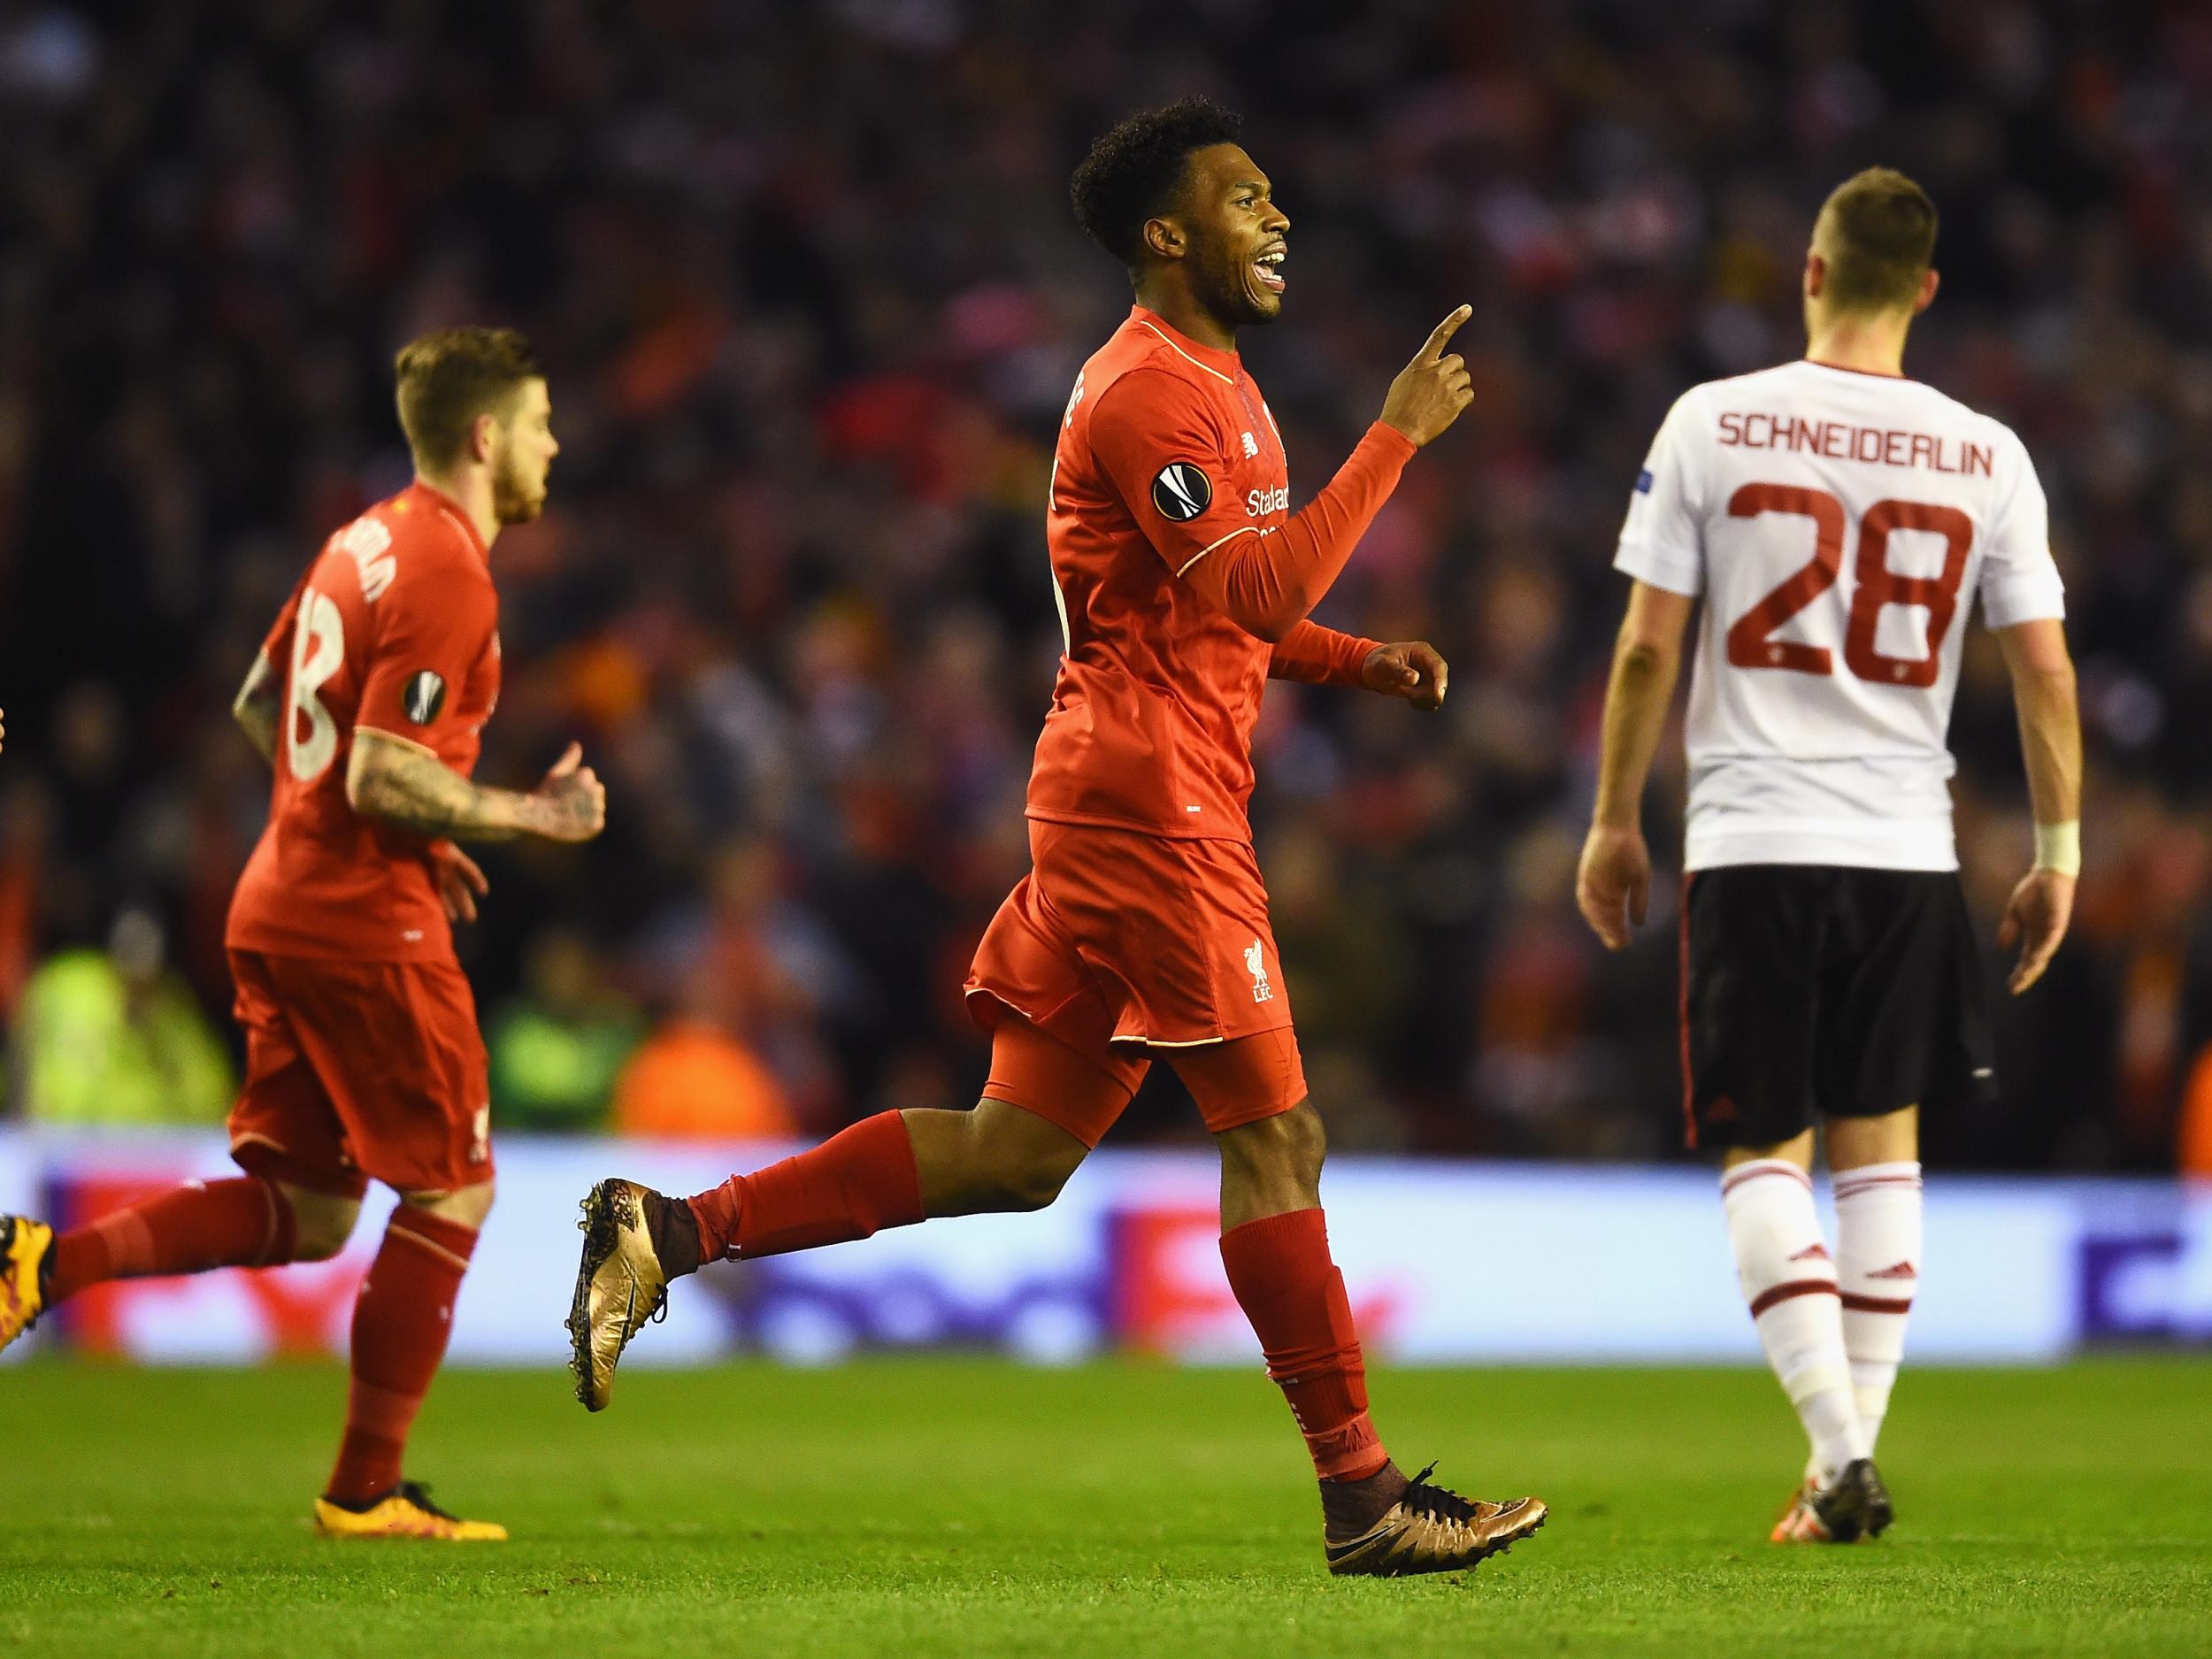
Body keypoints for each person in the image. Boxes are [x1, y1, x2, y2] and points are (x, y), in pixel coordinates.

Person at [567, 97, 1547, 1578]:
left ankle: (669, 1232)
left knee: (1014, 1154)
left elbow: (1216, 617)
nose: (1278, 219)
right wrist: (1395, 441)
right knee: (1278, 1132)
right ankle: (1363, 1499)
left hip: (1129, 789)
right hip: (1153, 810)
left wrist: (1361, 662)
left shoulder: (1220, 381)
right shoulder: (1146, 391)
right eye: (1244, 199)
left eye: (1278, 196)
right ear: (1167, 234)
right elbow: (1249, 595)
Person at [0, 327, 607, 1540]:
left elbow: (254, 703)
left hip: (275, 899)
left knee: (312, 1204)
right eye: (540, 423)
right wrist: (521, 815)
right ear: (485, 436)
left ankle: (37, 1264)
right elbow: (383, 772)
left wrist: (399, 837)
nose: (554, 445)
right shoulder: (445, 564)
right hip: (355, 924)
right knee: (452, 1192)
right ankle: (366, 1489)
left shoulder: (360, 540)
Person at [1574, 168, 2082, 1544]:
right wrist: (2061, 853)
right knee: (1882, 1157)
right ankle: (1839, 1464)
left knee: (1763, 1152)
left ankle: (1838, 1448)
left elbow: (1642, 646)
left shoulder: (1714, 423)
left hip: (1755, 839)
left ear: (1809, 269)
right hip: (1909, 849)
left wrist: (1618, 816)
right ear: (1925, 288)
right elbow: (2041, 671)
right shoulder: (1988, 453)